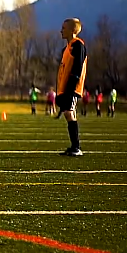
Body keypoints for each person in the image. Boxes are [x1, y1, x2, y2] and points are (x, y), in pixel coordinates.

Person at [55, 18, 87, 157]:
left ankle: (76, 147)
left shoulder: (78, 46)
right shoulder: (65, 49)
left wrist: (71, 87)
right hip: (65, 88)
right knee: (69, 113)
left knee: (69, 113)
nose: (61, 30)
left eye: (64, 28)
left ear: (72, 30)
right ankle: (74, 147)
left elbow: (77, 68)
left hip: (72, 88)